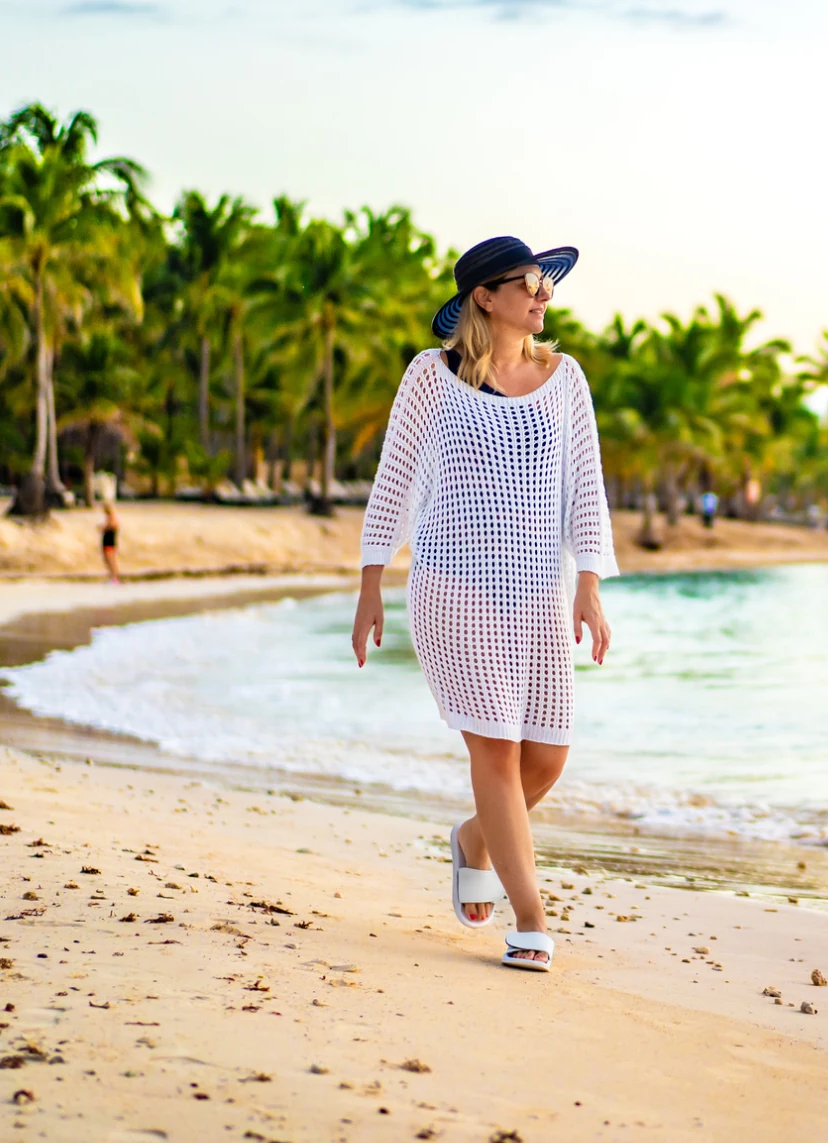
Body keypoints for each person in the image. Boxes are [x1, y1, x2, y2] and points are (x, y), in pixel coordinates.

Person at [352, 236, 618, 973]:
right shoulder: (430, 377)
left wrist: (589, 586)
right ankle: (531, 918)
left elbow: (585, 488)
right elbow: (394, 480)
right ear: (484, 297)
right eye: (529, 282)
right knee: (495, 748)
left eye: (545, 283)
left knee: (549, 756)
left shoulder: (566, 379)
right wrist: (371, 584)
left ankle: (474, 838)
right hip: (451, 586)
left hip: (537, 591)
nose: (543, 293)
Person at [99, 503, 122, 584]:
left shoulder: (112, 516)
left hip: (110, 540)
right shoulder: (108, 517)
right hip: (106, 540)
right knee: (107, 559)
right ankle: (112, 576)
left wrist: (105, 527)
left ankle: (115, 578)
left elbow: (114, 525)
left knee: (111, 559)